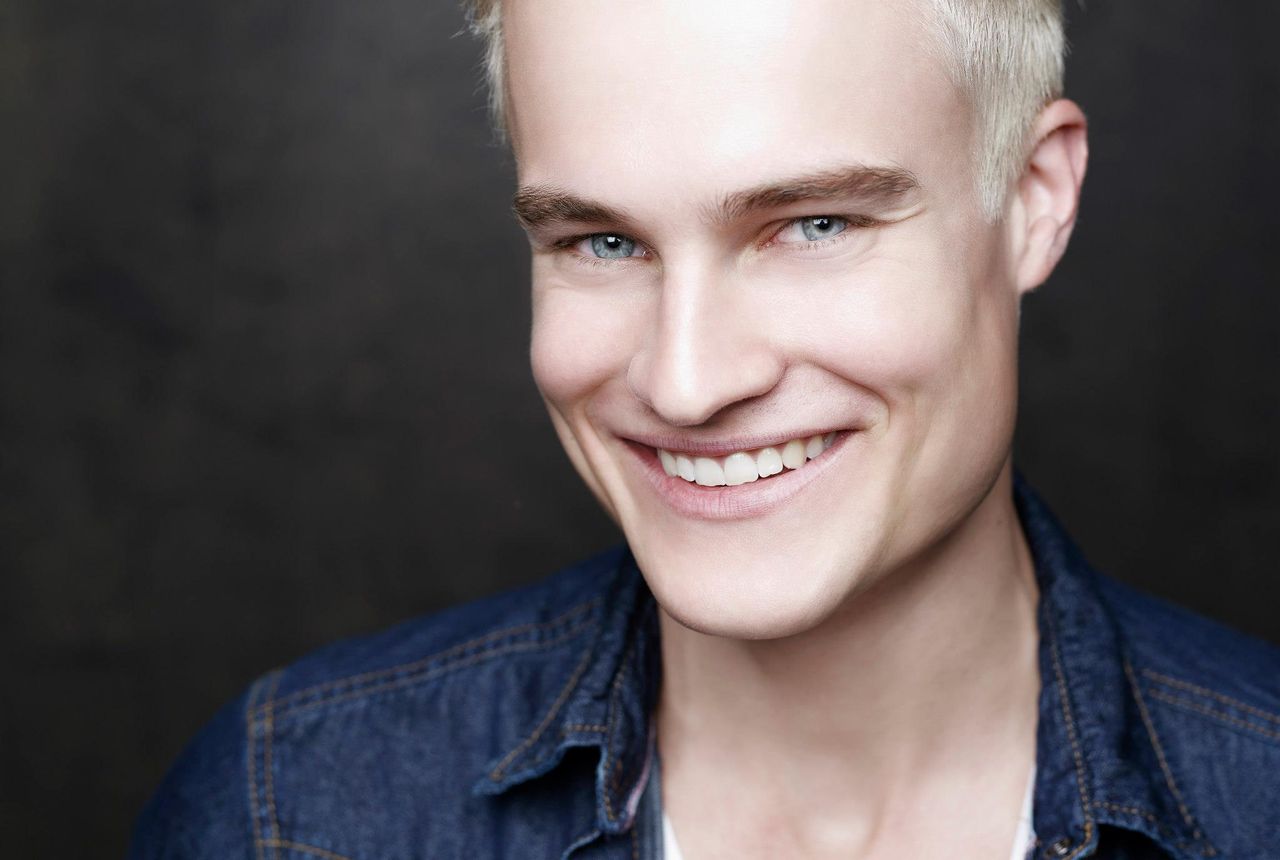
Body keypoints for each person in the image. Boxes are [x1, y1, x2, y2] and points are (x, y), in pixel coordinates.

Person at [130, 1, 1280, 858]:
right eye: (601, 242)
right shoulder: (289, 812)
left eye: (813, 224)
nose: (684, 382)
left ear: (1032, 197)